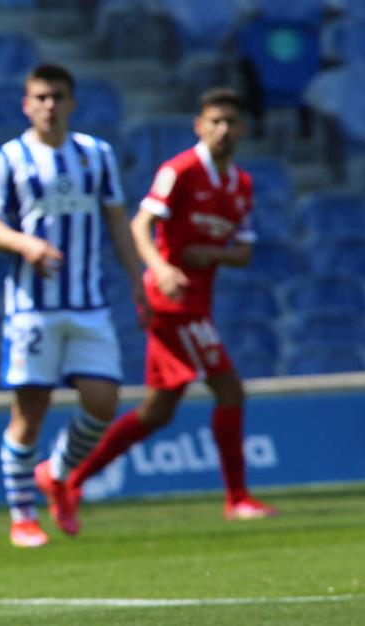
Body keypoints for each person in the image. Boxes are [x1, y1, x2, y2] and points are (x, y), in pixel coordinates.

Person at [51, 88, 278, 526]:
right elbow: (140, 224)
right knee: (229, 391)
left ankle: (70, 478)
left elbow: (245, 252)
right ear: (199, 126)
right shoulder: (180, 171)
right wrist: (161, 266)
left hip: (199, 302)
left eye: (231, 122)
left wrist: (211, 255)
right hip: (172, 301)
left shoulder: (242, 186)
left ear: (243, 130)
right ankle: (237, 498)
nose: (223, 130)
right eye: (215, 121)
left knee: (158, 411)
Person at [0, 64, 149, 548]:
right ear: (26, 104)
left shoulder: (97, 155)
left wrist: (138, 280)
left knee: (103, 402)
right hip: (33, 307)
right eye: (41, 97)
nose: (49, 105)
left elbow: (116, 220)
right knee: (30, 413)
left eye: (58, 96)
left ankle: (59, 473)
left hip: (88, 302)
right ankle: (23, 517)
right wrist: (26, 245)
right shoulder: (6, 160)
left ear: (72, 102)